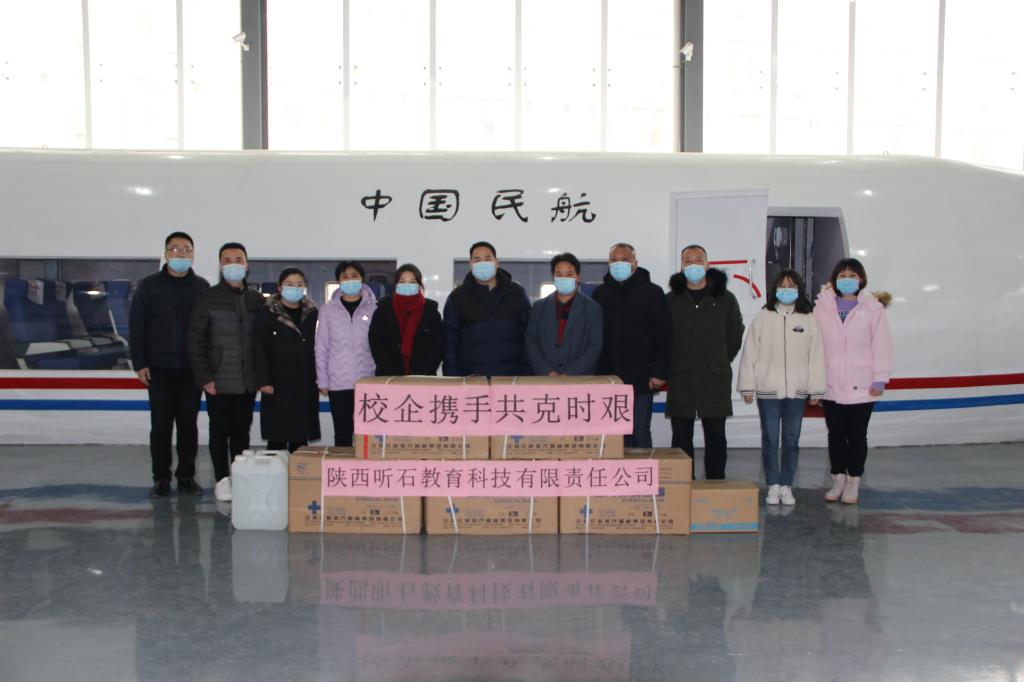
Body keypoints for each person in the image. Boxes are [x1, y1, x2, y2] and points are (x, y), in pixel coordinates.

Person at [129, 231, 210, 498]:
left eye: (186, 249)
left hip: (190, 370)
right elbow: (137, 326)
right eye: (175, 249)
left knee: (188, 426)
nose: (180, 254)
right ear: (165, 253)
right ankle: (161, 478)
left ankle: (186, 477)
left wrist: (205, 366)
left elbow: (208, 330)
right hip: (159, 369)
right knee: (161, 427)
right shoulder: (149, 286)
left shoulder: (201, 287)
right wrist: (140, 362)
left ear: (193, 254)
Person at [737, 269, 826, 506]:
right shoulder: (763, 317)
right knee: (770, 439)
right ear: (775, 289)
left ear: (799, 290)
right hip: (768, 391)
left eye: (792, 286)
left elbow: (816, 357)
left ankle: (786, 485)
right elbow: (749, 353)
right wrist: (748, 386)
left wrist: (816, 390)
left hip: (797, 392)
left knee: (791, 440)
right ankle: (773, 485)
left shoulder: (808, 319)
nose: (787, 290)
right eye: (782, 286)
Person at [187, 242, 264, 502]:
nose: (233, 264)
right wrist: (204, 377)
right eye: (227, 260)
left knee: (242, 430)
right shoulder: (207, 298)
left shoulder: (255, 299)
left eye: (238, 259)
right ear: (220, 265)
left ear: (247, 264)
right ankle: (222, 478)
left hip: (247, 379)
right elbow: (195, 341)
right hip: (217, 379)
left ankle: (239, 476)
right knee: (219, 430)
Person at [814, 258, 892, 504]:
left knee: (857, 435)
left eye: (852, 275)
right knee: (835, 434)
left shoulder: (873, 309)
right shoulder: (821, 308)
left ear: (861, 279)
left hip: (863, 384)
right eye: (842, 275)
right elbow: (814, 346)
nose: (847, 280)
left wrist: (880, 379)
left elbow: (882, 346)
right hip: (831, 383)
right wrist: (813, 381)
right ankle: (837, 479)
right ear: (834, 280)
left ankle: (853, 481)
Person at [666, 244, 744, 479]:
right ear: (681, 266)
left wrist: (721, 359)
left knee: (716, 436)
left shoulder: (725, 299)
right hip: (681, 377)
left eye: (698, 260)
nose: (693, 265)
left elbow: (735, 334)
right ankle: (684, 484)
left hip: (714, 378)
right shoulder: (671, 299)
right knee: (681, 437)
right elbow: (662, 336)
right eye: (688, 261)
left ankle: (715, 484)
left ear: (707, 264)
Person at [592, 242, 672, 447]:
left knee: (639, 432)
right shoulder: (600, 293)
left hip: (642, 378)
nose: (619, 264)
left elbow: (664, 335)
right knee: (612, 435)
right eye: (614, 260)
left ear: (635, 263)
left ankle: (643, 469)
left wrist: (659, 372)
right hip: (608, 378)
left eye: (624, 260)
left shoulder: (653, 292)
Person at [253, 267, 321, 453]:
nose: (295, 288)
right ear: (280, 287)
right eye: (289, 284)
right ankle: (276, 471)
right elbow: (259, 347)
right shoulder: (268, 312)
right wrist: (264, 381)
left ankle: (299, 470)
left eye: (299, 284)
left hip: (304, 380)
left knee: (300, 433)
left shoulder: (312, 312)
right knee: (278, 434)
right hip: (277, 382)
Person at [443, 241, 531, 377]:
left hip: (511, 377)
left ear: (496, 262)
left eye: (487, 259)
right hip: (471, 378)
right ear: (471, 264)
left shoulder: (516, 292)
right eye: (477, 260)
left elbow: (529, 336)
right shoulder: (457, 297)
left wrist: (527, 374)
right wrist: (452, 378)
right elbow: (450, 343)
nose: (483, 263)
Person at [316, 260, 377, 446]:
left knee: (366, 434)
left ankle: (364, 465)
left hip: (367, 380)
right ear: (339, 281)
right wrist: (322, 379)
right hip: (338, 382)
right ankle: (342, 464)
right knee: (342, 433)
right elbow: (321, 346)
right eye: (345, 277)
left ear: (362, 279)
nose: (350, 280)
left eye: (354, 276)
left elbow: (379, 346)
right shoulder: (327, 310)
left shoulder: (374, 309)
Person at [525, 252, 603, 376]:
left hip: (580, 379)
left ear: (578, 277)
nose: (564, 278)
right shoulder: (539, 307)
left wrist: (570, 374)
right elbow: (531, 343)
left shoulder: (592, 308)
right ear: (553, 277)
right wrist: (547, 371)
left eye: (569, 274)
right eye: (559, 274)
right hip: (545, 378)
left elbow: (594, 347)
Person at [368, 263, 444, 376]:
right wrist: (391, 373)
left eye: (412, 282)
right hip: (388, 378)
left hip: (423, 378)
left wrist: (422, 374)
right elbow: (376, 343)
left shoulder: (430, 311)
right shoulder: (383, 309)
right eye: (402, 281)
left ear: (419, 285)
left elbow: (438, 346)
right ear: (396, 285)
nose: (407, 285)